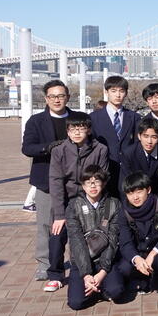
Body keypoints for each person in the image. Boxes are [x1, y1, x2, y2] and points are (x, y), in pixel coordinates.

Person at [21, 79, 86, 281]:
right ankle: (45, 263)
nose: (57, 100)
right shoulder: (36, 121)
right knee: (46, 225)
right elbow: (27, 148)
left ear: (68, 97)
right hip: (46, 181)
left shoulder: (79, 118)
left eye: (61, 96)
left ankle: (79, 262)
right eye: (52, 96)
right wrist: (48, 147)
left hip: (76, 181)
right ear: (46, 98)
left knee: (79, 224)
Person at [46, 115, 109, 293]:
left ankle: (95, 270)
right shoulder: (59, 151)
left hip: (91, 197)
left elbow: (102, 177)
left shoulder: (100, 149)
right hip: (67, 200)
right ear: (67, 131)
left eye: (81, 128)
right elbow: (56, 182)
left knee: (95, 234)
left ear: (88, 130)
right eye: (73, 129)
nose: (77, 133)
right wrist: (60, 215)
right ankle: (55, 275)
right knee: (57, 234)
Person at [103, 172, 158, 304]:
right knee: (124, 268)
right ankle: (141, 279)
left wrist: (154, 252)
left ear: (148, 190)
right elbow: (125, 242)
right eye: (130, 193)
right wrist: (136, 259)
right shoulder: (123, 211)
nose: (135, 197)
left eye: (139, 192)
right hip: (139, 253)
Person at [65, 165, 121, 310]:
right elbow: (76, 241)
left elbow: (113, 240)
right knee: (76, 302)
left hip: (105, 260)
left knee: (116, 291)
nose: (93, 186)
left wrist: (102, 272)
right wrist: (86, 275)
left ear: (104, 183)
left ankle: (100, 285)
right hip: (82, 261)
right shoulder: (73, 206)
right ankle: (95, 288)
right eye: (88, 182)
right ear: (82, 185)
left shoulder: (114, 204)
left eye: (96, 181)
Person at [89, 75, 141, 196]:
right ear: (106, 92)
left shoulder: (134, 117)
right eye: (113, 91)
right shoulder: (94, 118)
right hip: (103, 171)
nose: (118, 95)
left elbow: (137, 144)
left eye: (121, 91)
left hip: (128, 172)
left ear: (126, 93)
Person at [118, 118, 158, 208]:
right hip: (135, 200)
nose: (149, 141)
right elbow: (124, 184)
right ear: (139, 136)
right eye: (145, 136)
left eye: (154, 137)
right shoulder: (129, 153)